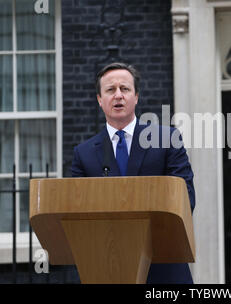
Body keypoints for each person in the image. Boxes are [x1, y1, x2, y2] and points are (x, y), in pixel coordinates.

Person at [71, 62, 195, 284]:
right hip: (106, 268)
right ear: (100, 99)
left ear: (136, 96)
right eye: (110, 90)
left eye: (125, 89)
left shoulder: (167, 139)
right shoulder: (83, 154)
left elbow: (186, 198)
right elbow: (77, 213)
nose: (118, 95)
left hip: (163, 268)